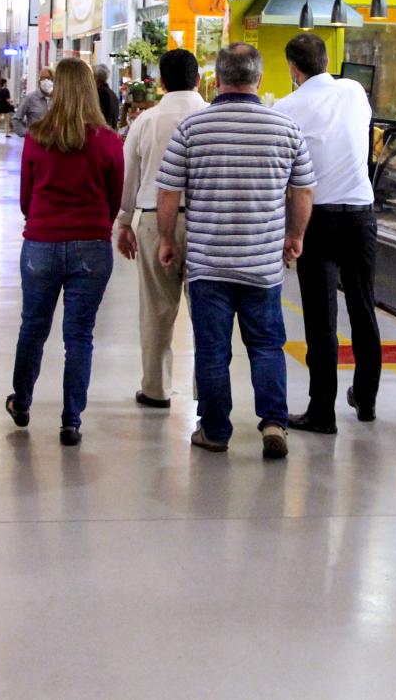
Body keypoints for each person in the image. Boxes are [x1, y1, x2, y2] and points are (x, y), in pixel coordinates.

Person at [156, 43, 316, 460]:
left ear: (217, 79)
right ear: (259, 79)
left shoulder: (193, 128)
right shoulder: (285, 127)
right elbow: (304, 188)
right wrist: (295, 235)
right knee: (266, 345)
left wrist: (167, 239)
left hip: (209, 263)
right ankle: (274, 423)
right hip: (262, 264)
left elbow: (168, 191)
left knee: (212, 350)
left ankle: (214, 430)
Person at [6, 57, 124, 447]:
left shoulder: (36, 137)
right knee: (79, 335)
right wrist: (94, 227)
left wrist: (45, 220)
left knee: (33, 327)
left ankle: (22, 402)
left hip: (41, 243)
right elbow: (113, 199)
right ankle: (70, 421)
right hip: (92, 248)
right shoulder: (109, 142)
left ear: (55, 90)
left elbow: (26, 199)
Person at [276, 34, 382, 433]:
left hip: (316, 219)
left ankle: (322, 411)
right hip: (360, 215)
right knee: (362, 307)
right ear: (326, 60)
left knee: (321, 318)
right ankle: (367, 399)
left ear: (293, 68)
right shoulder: (354, 91)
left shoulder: (285, 107)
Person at [116, 49, 206, 409]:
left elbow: (129, 176)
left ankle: (156, 389)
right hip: (205, 223)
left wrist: (125, 222)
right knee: (206, 313)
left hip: (154, 220)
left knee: (156, 309)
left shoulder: (146, 121)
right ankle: (207, 392)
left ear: (162, 83)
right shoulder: (211, 116)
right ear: (198, 79)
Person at [94, 64, 119, 129]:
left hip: (103, 133)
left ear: (96, 77)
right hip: (111, 132)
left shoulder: (100, 93)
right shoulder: (112, 93)